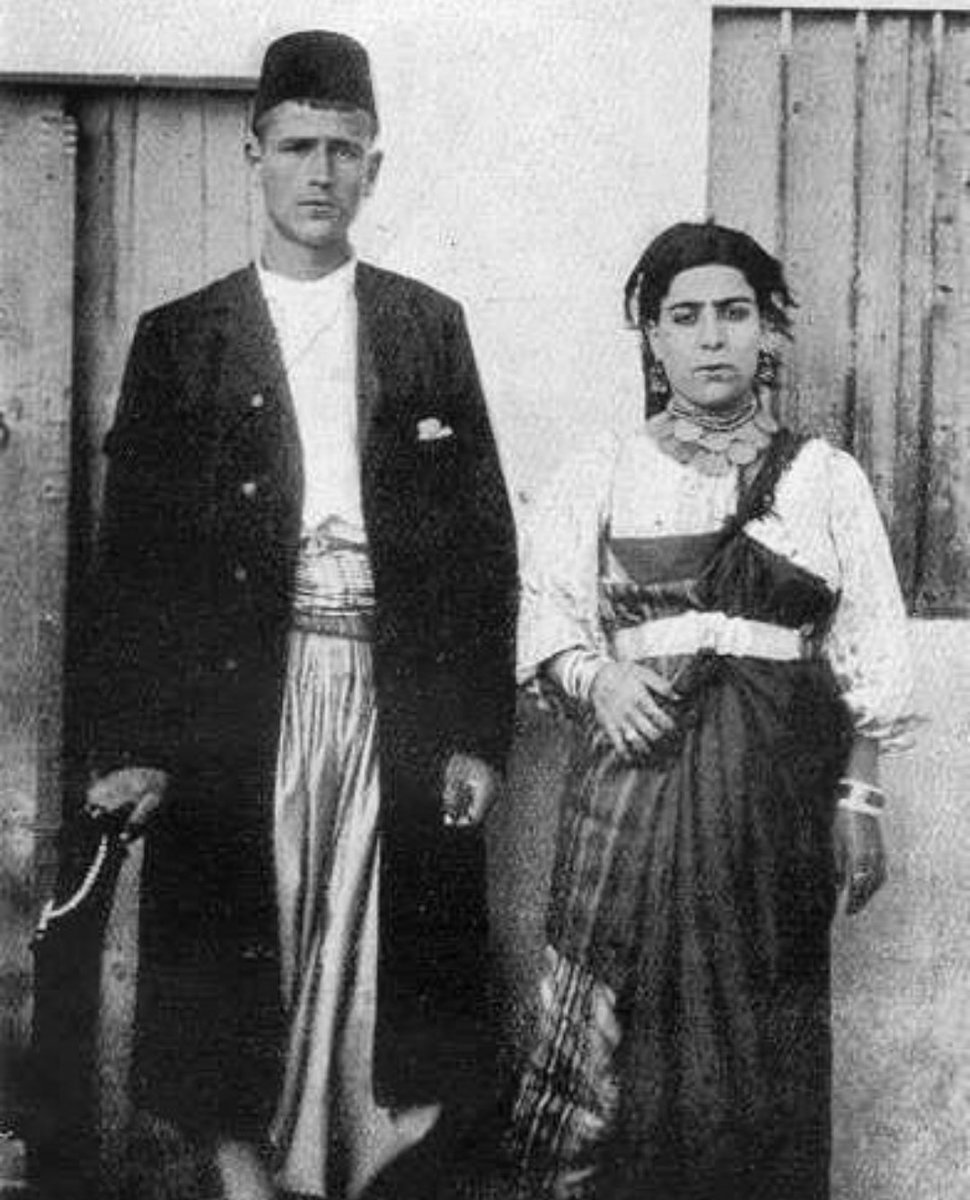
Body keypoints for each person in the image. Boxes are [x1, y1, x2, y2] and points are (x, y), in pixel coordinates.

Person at [78, 30, 518, 1200]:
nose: (321, 173)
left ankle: (363, 1178)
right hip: (240, 700)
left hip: (392, 698)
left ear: (375, 167)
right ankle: (243, 1182)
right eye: (297, 148)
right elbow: (134, 562)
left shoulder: (427, 328)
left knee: (379, 955)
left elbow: (481, 546)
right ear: (253, 156)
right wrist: (128, 745)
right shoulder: (184, 339)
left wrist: (475, 728)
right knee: (238, 944)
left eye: (345, 151)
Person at [510, 221, 915, 1200]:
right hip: (634, 797)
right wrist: (597, 679)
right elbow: (545, 620)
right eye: (683, 317)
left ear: (768, 331)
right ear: (651, 338)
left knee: (759, 1037)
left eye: (733, 313)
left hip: (770, 809)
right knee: (618, 1029)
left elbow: (867, 644)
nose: (710, 337)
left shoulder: (825, 480)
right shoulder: (599, 472)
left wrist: (858, 801)